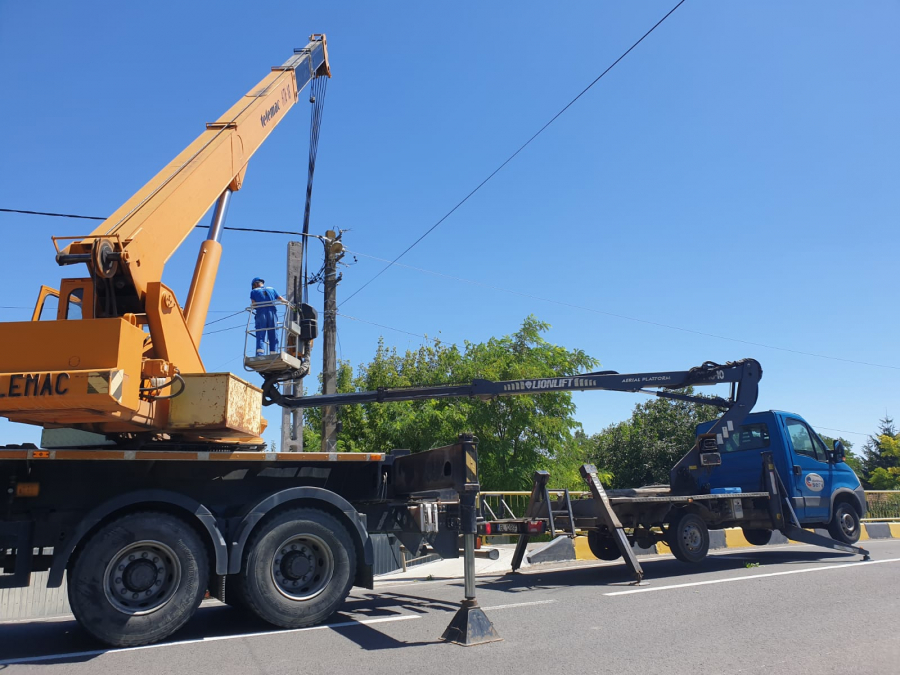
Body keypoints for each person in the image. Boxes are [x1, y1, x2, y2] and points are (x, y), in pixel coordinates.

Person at [250, 277, 286, 355]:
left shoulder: (253, 291)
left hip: (261, 313)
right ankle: (274, 353)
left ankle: (260, 353)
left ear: (255, 284)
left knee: (260, 333)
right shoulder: (271, 289)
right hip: (272, 313)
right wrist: (289, 305)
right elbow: (280, 298)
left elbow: (254, 304)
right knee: (273, 332)